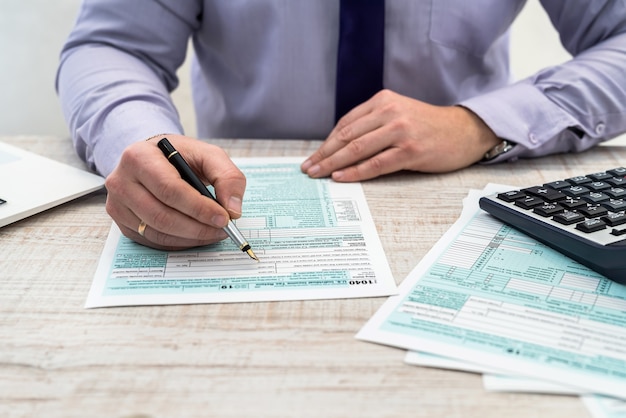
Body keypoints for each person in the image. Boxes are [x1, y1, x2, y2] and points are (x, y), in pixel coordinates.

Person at [57, 0, 626, 251]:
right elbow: (111, 44)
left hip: (459, 199)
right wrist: (140, 138)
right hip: (241, 188)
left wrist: (479, 125)